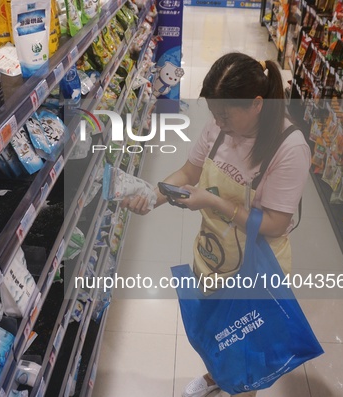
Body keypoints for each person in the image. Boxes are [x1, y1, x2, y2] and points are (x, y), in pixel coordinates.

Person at [120, 52, 311, 397]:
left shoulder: (289, 146)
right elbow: (190, 172)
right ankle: (214, 376)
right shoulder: (219, 126)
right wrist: (153, 195)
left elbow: (275, 224)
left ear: (256, 104)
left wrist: (213, 202)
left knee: (244, 348)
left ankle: (238, 386)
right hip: (213, 253)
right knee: (214, 330)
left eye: (225, 115)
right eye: (213, 114)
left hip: (255, 268)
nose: (217, 122)